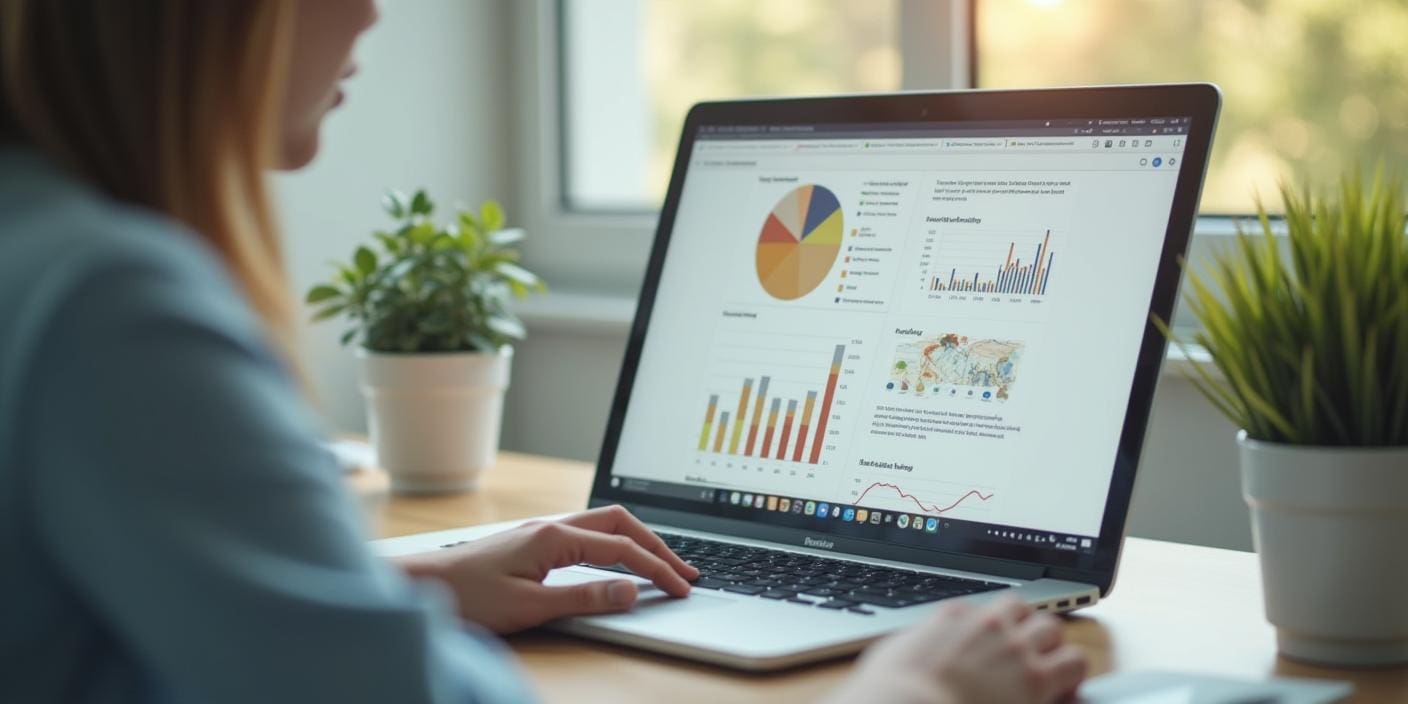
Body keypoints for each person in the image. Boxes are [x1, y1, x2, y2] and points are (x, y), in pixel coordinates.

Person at [0, 1, 1088, 702]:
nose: (375, 12)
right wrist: (911, 690)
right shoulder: (112, 302)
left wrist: (395, 586)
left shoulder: (35, 240)